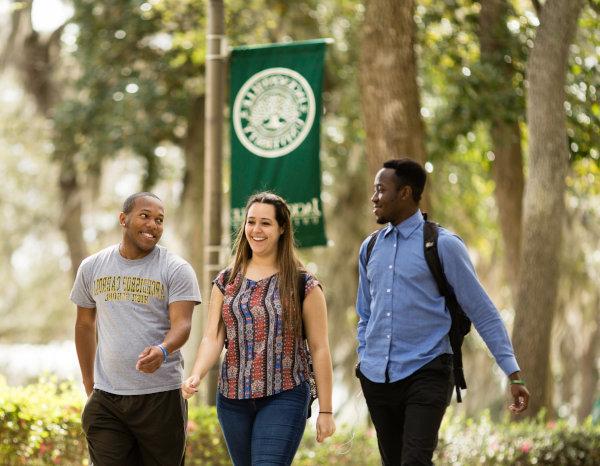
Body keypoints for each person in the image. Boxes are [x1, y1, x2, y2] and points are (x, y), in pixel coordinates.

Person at [355, 158, 530, 466]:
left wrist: (513, 374)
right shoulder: (369, 248)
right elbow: (365, 313)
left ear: (405, 193)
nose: (374, 198)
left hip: (428, 370)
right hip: (376, 378)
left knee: (415, 461)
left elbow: (483, 312)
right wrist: (365, 355)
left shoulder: (443, 245)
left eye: (381, 190)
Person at [182, 191, 335, 465]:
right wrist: (197, 374)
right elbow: (213, 337)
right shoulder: (226, 280)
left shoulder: (304, 284)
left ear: (281, 228)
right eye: (251, 222)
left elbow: (320, 348)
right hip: (232, 398)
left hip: (286, 393)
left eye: (265, 223)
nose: (256, 230)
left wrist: (326, 410)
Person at [71, 192, 201, 466]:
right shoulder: (92, 267)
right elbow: (84, 324)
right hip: (107, 399)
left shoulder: (176, 269)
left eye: (159, 220)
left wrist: (163, 350)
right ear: (123, 219)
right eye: (145, 216)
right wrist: (89, 383)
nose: (153, 224)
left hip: (161, 399)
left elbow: (183, 324)